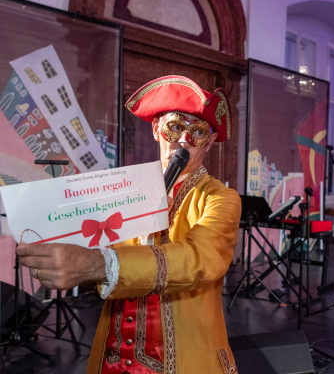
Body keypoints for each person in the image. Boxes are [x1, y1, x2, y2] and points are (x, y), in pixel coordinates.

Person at [16, 75, 241, 374]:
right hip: (113, 359)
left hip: (181, 361)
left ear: (210, 142)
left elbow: (199, 259)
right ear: (156, 130)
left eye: (198, 131)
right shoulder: (128, 191)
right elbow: (96, 246)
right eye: (175, 126)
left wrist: (97, 264)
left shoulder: (221, 198)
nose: (184, 140)